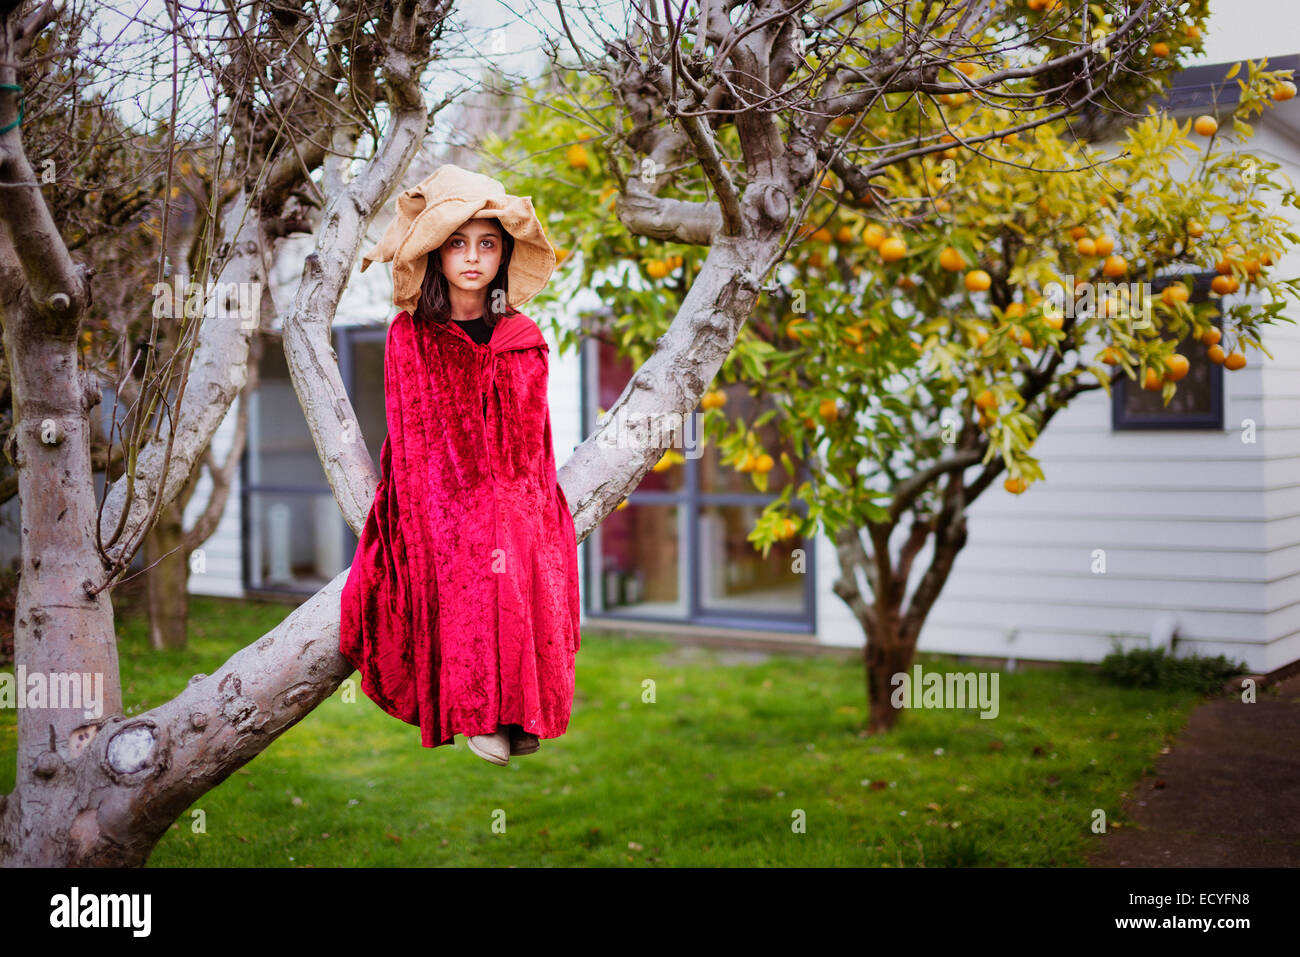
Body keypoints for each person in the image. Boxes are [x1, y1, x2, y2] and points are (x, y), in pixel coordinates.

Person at [339, 164, 581, 767]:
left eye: (487, 244)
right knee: (474, 548)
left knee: (526, 544)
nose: (472, 257)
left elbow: (534, 436)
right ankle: (477, 710)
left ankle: (521, 704)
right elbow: (415, 429)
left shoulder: (523, 335)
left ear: (502, 257)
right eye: (457, 243)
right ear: (436, 255)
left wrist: (526, 499)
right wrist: (460, 500)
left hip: (517, 484)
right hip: (439, 487)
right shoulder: (412, 335)